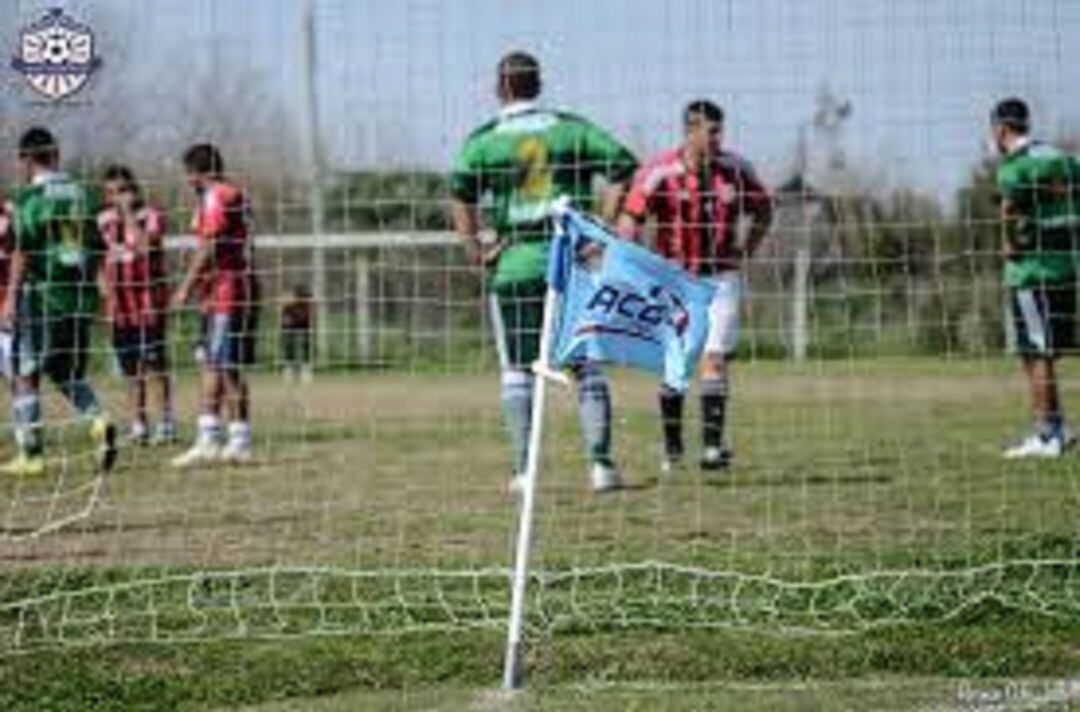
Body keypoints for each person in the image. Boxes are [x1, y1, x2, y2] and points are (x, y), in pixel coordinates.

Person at [450, 51, 639, 494]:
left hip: (513, 263)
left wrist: (473, 245)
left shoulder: (485, 140)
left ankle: (523, 472)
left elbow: (459, 192)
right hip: (570, 261)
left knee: (517, 369)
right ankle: (600, 466)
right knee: (586, 363)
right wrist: (601, 231)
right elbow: (624, 166)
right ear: (539, 85)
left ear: (499, 88)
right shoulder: (570, 129)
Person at [617, 100, 773, 472]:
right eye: (711, 131)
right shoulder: (659, 172)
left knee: (715, 358)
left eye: (721, 130)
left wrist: (746, 248)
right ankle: (672, 448)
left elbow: (765, 209)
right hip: (674, 278)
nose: (719, 138)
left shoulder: (736, 170)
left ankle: (712, 449)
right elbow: (629, 219)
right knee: (676, 362)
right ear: (690, 131)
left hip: (720, 276)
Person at [2, 127, 117, 477]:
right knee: (63, 370)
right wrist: (100, 290)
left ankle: (31, 454)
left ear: (26, 159)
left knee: (25, 373)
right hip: (79, 297)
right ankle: (99, 419)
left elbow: (23, 250)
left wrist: (10, 299)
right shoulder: (84, 196)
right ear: (56, 155)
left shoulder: (29, 199)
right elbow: (98, 247)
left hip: (44, 297)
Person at [991, 98, 1080, 458]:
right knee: (1050, 348)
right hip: (1067, 268)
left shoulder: (1014, 166)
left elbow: (1009, 208)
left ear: (1000, 129)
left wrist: (1009, 244)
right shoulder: (1064, 159)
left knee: (1034, 351)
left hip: (1031, 272)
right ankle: (1059, 428)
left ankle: (1047, 435)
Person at [171, 143, 257, 467]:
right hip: (222, 291)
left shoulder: (217, 195)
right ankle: (238, 439)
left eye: (189, 175)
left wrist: (185, 287)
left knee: (215, 364)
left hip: (226, 291)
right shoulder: (229, 193)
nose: (187, 181)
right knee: (226, 365)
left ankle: (210, 438)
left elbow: (208, 246)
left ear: (198, 172)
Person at [98, 164, 176, 445]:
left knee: (154, 366)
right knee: (130, 369)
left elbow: (146, 248)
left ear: (133, 190)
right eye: (111, 193)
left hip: (148, 304)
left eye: (122, 191)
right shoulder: (102, 220)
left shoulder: (150, 215)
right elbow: (98, 256)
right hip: (120, 308)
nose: (117, 197)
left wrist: (129, 214)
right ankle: (138, 425)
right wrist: (102, 285)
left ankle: (166, 424)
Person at [280, 284, 313, 383]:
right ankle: (289, 367)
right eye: (304, 296)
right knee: (289, 342)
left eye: (307, 296)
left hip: (303, 325)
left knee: (306, 342)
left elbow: (309, 321)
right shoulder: (288, 305)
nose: (306, 299)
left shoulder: (307, 306)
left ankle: (305, 367)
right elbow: (284, 321)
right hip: (290, 326)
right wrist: (289, 322)